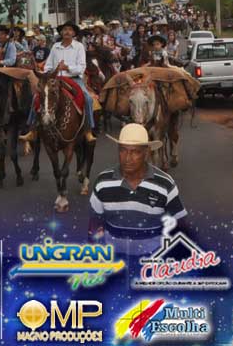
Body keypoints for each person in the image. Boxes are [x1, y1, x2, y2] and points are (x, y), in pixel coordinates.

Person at [88, 123, 186, 256]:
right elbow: (95, 222)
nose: (128, 158)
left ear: (147, 153)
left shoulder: (165, 184)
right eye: (123, 150)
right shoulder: (102, 183)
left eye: (135, 152)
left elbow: (180, 225)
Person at [20, 21, 96, 143]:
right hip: (55, 79)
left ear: (74, 33)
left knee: (88, 98)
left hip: (73, 78)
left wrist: (67, 67)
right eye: (65, 29)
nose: (67, 32)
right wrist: (47, 72)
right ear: (61, 33)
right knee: (37, 97)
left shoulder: (79, 46)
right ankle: (32, 130)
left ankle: (88, 130)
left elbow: (81, 67)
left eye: (70, 30)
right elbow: (48, 65)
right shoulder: (55, 46)